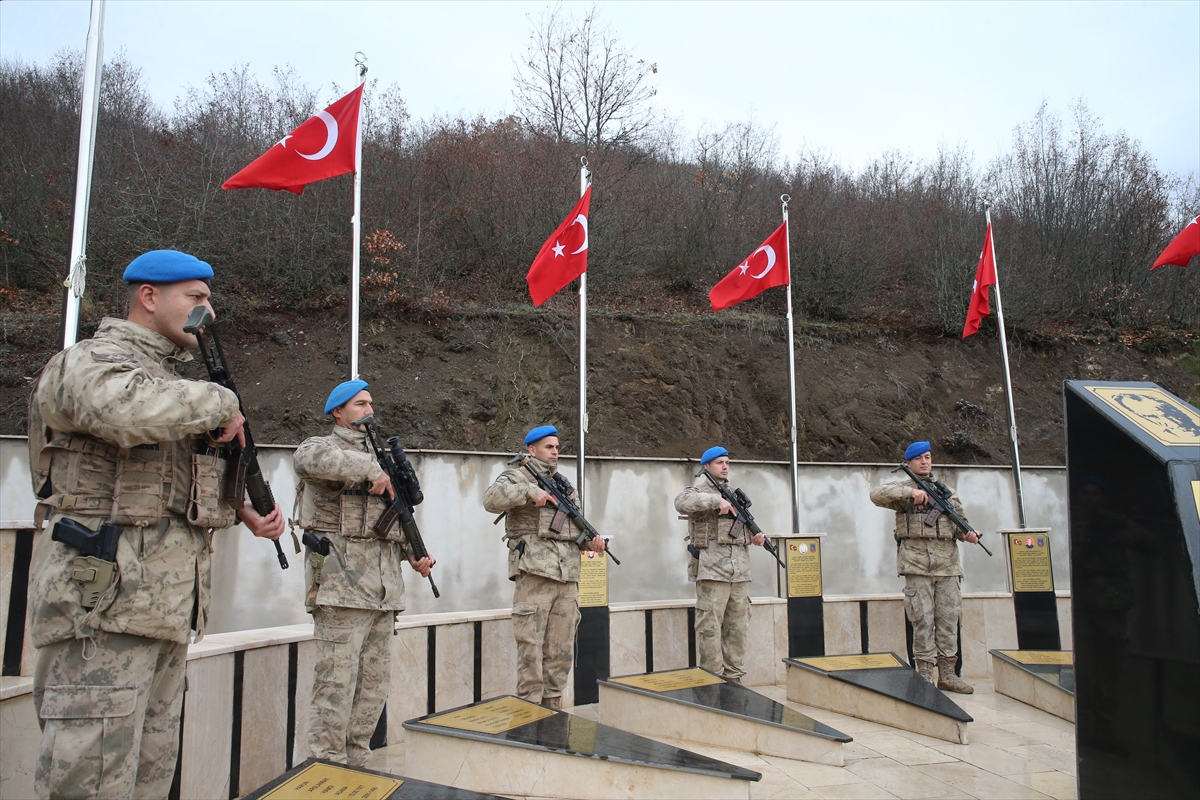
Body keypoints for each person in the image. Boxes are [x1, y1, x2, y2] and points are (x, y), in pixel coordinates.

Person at [26, 250, 286, 799]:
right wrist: (220, 402)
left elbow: (169, 487)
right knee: (90, 781)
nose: (207, 311)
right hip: (102, 612)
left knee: (148, 777)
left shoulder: (168, 383)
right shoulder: (91, 361)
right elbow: (119, 410)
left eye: (208, 299)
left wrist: (241, 505)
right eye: (196, 298)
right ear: (149, 297)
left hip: (160, 614)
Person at [292, 380, 434, 765]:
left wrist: (415, 554)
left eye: (371, 402)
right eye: (360, 404)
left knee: (372, 689)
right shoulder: (324, 448)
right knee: (335, 685)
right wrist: (370, 468)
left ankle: (356, 762)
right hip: (341, 590)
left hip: (383, 595)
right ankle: (326, 766)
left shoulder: (383, 461)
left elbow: (391, 522)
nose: (369, 409)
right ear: (338, 413)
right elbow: (306, 460)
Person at [482, 425, 606, 709]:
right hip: (536, 575)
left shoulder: (563, 485)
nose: (555, 452)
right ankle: (529, 710)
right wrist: (528, 491)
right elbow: (490, 499)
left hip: (567, 579)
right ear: (531, 450)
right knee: (530, 647)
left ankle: (553, 707)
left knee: (560, 649)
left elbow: (573, 532)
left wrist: (591, 544)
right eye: (549, 447)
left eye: (557, 448)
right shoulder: (517, 476)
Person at [869, 441, 978, 693]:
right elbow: (876, 494)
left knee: (949, 621)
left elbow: (961, 523)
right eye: (919, 458)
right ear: (908, 463)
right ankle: (925, 674)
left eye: (928, 457)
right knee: (922, 620)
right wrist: (910, 494)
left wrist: (970, 534)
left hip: (948, 566)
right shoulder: (902, 489)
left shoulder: (947, 491)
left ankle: (948, 674)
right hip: (917, 565)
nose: (925, 462)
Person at [674, 446, 765, 684]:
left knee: (737, 630)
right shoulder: (697, 491)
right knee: (710, 630)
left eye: (727, 462)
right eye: (719, 463)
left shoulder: (734, 494)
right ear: (706, 466)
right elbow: (681, 502)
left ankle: (734, 680)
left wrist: (755, 537)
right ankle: (712, 683)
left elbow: (741, 529)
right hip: (712, 572)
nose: (725, 466)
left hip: (739, 574)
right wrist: (715, 500)